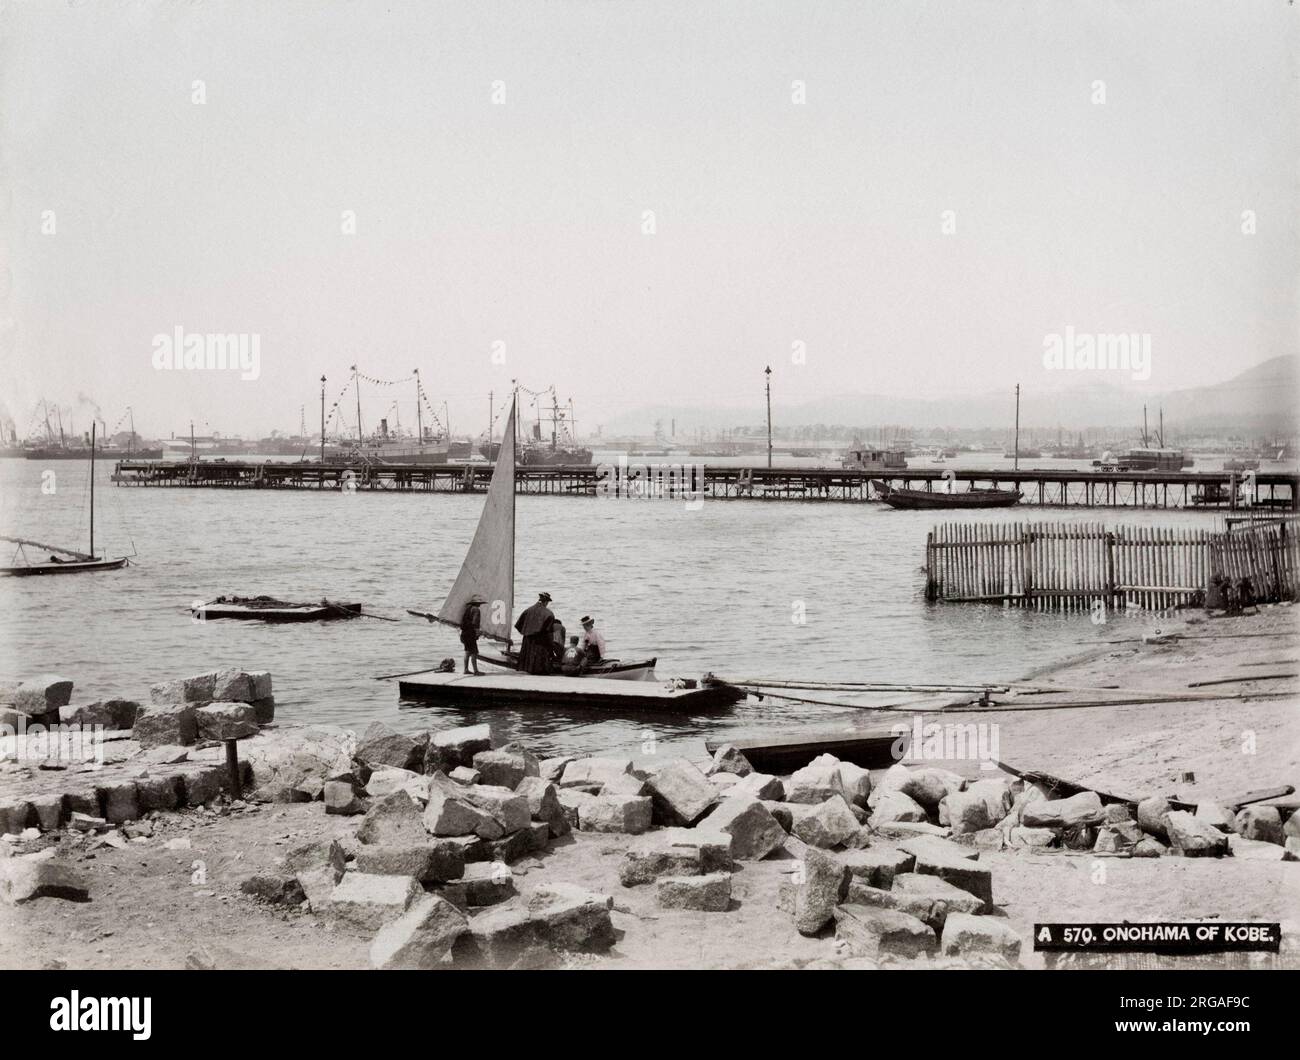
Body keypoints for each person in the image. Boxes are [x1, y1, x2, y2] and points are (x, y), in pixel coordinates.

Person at [514, 592, 556, 675]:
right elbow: (549, 633)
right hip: (540, 642)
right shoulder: (549, 614)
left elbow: (519, 626)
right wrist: (552, 646)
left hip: (527, 641)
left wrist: (528, 633)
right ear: (546, 602)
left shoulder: (527, 610)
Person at [460, 595, 485, 675]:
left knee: (467, 651)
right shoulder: (476, 610)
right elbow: (475, 623)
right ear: (477, 603)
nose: (480, 604)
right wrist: (478, 633)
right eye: (479, 603)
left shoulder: (467, 609)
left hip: (464, 634)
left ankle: (466, 669)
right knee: (474, 652)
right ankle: (476, 671)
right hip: (470, 634)